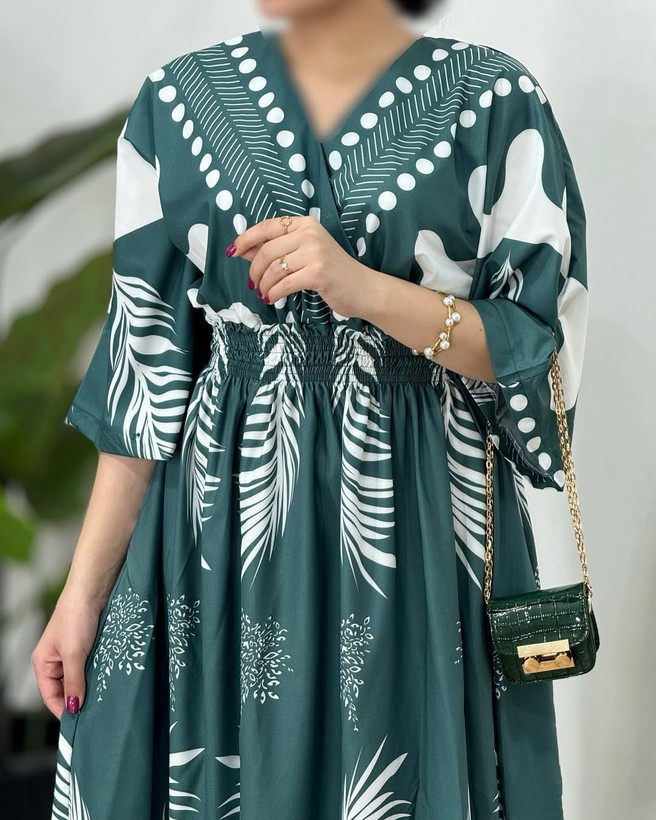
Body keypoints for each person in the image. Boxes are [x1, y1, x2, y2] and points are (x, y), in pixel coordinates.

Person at [33, 0, 589, 817]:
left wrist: (366, 291)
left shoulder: (495, 98)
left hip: (417, 533)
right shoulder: (176, 102)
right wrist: (80, 598)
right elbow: (143, 379)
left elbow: (540, 353)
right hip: (222, 538)